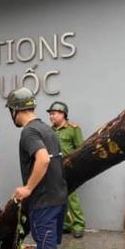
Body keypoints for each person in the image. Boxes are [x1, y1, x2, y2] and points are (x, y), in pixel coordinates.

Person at [7, 87, 68, 249]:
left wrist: (28, 188)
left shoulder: (29, 132)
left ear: (15, 110)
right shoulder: (47, 130)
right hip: (58, 196)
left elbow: (43, 159)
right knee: (45, 245)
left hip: (44, 199)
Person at [48, 101, 86, 238]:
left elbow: (81, 149)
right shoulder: (49, 130)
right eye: (50, 114)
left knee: (72, 197)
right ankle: (65, 225)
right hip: (54, 169)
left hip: (69, 168)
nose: (51, 116)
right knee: (58, 198)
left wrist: (77, 168)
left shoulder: (73, 129)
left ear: (63, 114)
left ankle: (78, 225)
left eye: (54, 113)